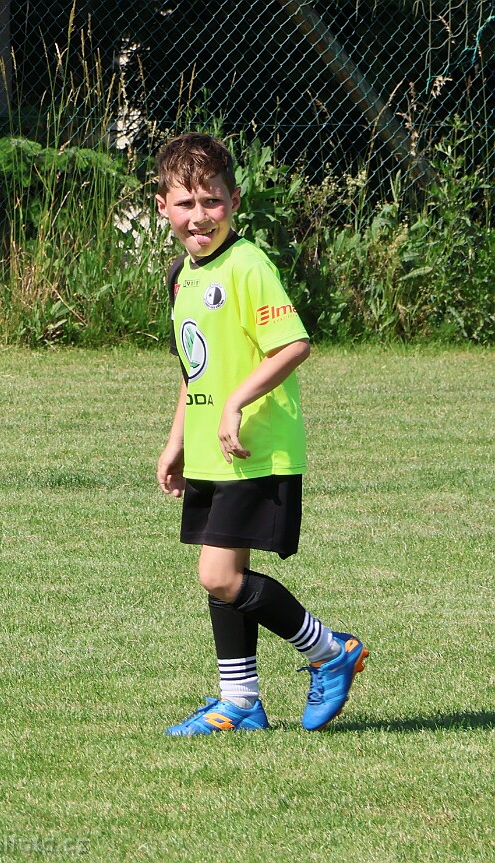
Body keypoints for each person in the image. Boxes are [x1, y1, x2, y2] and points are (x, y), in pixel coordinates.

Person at [154, 132, 367, 735]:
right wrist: (177, 440)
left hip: (255, 447)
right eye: (186, 203)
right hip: (212, 451)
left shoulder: (247, 266)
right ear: (164, 207)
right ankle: (240, 702)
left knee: (219, 576)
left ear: (235, 202)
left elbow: (293, 344)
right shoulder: (182, 275)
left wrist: (236, 403)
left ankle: (329, 650)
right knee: (224, 573)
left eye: (213, 201)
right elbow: (194, 367)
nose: (200, 216)